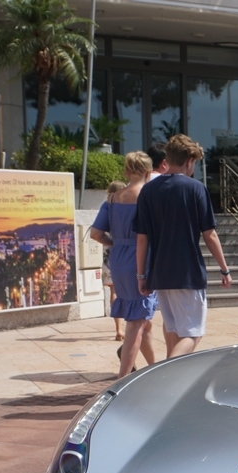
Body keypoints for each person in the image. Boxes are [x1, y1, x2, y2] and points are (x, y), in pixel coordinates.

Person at [134, 134, 232, 359]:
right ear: (189, 161)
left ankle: (171, 380)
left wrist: (141, 275)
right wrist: (224, 269)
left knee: (173, 329)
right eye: (194, 164)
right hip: (188, 273)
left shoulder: (148, 191)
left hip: (160, 273)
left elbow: (142, 238)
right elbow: (210, 235)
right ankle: (166, 372)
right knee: (193, 334)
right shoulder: (195, 188)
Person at [91, 154, 157, 378]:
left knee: (143, 322)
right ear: (148, 172)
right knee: (136, 323)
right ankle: (122, 379)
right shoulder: (147, 197)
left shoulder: (111, 200)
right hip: (140, 260)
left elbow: (96, 233)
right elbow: (146, 236)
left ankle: (155, 368)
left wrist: (117, 243)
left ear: (126, 171)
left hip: (118, 258)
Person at [102, 180, 127, 341]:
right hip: (124, 252)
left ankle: (118, 328)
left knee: (114, 292)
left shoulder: (105, 208)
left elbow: (98, 232)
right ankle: (128, 324)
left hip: (107, 254)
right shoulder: (123, 208)